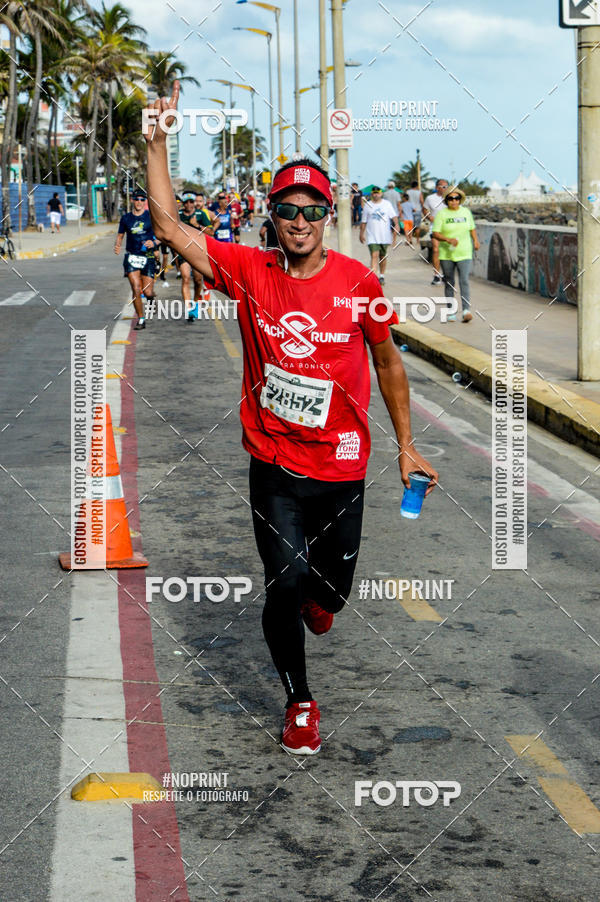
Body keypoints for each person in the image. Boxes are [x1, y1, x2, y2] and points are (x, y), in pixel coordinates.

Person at [145, 82, 438, 757]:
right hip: (274, 463)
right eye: (286, 210)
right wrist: (157, 145)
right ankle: (300, 701)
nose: (299, 221)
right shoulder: (248, 270)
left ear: (330, 216)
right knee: (282, 584)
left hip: (342, 465)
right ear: (270, 216)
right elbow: (169, 227)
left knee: (328, 595)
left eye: (311, 211)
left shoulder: (360, 284)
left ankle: (319, 601)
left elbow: (390, 366)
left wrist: (407, 447)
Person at [432, 187, 480, 323]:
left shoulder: (466, 212)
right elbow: (435, 233)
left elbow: (472, 228)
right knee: (449, 282)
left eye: (456, 198)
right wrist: (447, 240)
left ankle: (466, 311)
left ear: (460, 200)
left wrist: (476, 241)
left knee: (464, 280)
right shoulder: (442, 214)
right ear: (447, 201)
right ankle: (451, 311)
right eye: (451, 199)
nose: (454, 201)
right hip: (446, 254)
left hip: (464, 252)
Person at [114, 189, 157, 330]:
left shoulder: (151, 217)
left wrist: (155, 243)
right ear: (132, 200)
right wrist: (117, 245)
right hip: (132, 256)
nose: (139, 202)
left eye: (142, 199)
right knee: (136, 288)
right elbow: (120, 235)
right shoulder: (126, 218)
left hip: (148, 256)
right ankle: (141, 318)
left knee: (148, 292)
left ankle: (151, 299)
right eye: (136, 199)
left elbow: (161, 235)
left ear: (145, 202)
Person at [176, 191, 212, 322]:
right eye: (186, 202)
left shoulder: (200, 214)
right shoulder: (178, 216)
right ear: (183, 204)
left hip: (197, 251)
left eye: (192, 202)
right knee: (185, 278)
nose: (189, 205)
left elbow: (211, 232)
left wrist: (197, 225)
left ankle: (196, 303)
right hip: (183, 251)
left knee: (197, 280)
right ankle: (188, 308)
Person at [359, 186, 398, 285]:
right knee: (374, 255)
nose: (376, 195)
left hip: (384, 236)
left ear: (381, 194)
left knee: (382, 256)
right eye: (374, 193)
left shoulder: (387, 204)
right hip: (372, 236)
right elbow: (364, 221)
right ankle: (373, 277)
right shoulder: (368, 205)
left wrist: (396, 225)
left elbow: (394, 216)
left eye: (378, 193)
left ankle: (382, 275)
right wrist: (361, 233)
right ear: (371, 194)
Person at [423, 178, 449, 284]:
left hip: (448, 228)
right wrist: (429, 217)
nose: (444, 188)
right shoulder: (430, 198)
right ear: (436, 187)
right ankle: (436, 275)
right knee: (435, 250)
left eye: (446, 186)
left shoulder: (451, 197)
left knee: (446, 253)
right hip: (435, 228)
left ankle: (447, 274)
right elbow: (424, 209)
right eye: (442, 186)